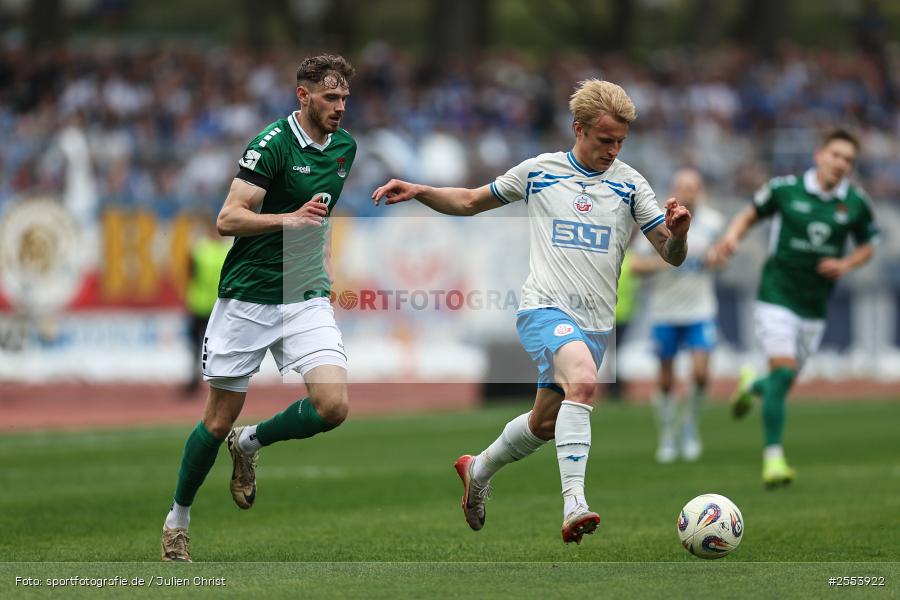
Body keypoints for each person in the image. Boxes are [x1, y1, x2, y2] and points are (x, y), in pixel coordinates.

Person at [372, 79, 692, 544]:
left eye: (621, 141)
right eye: (606, 140)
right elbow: (469, 201)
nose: (614, 149)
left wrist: (678, 234)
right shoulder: (540, 172)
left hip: (596, 323)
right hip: (543, 308)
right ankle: (574, 504)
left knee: (544, 423)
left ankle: (478, 469)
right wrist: (420, 189)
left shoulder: (630, 185)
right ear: (578, 129)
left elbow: (670, 255)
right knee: (582, 379)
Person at [161, 54, 357, 562]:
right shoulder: (270, 145)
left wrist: (325, 259)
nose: (339, 107)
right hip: (249, 294)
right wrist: (287, 220)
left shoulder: (344, 148)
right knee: (216, 422)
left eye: (344, 98)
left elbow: (323, 211)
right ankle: (178, 518)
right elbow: (228, 219)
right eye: (330, 97)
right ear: (303, 95)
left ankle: (251, 444)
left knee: (333, 407)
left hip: (303, 292)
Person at [715, 129, 878, 488]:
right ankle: (773, 459)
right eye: (836, 155)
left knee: (782, 381)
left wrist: (846, 264)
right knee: (785, 373)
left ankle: (751, 386)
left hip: (814, 306)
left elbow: (869, 244)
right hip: (776, 295)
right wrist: (731, 238)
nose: (841, 164)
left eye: (848, 160)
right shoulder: (784, 189)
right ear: (819, 155)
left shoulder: (854, 202)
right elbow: (749, 214)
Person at [630, 168, 725, 463]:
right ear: (674, 189)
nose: (689, 191)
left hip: (700, 309)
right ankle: (668, 434)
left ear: (701, 190)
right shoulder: (657, 221)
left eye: (694, 186)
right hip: (665, 311)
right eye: (683, 186)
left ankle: (689, 428)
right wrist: (669, 259)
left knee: (700, 373)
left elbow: (721, 258)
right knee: (667, 381)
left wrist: (715, 260)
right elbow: (635, 267)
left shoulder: (713, 222)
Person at [182, 218, 231, 397]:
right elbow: (190, 273)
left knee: (216, 346)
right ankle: (195, 378)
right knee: (196, 345)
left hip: (218, 305)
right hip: (200, 303)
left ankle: (218, 379)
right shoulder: (201, 249)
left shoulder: (223, 249)